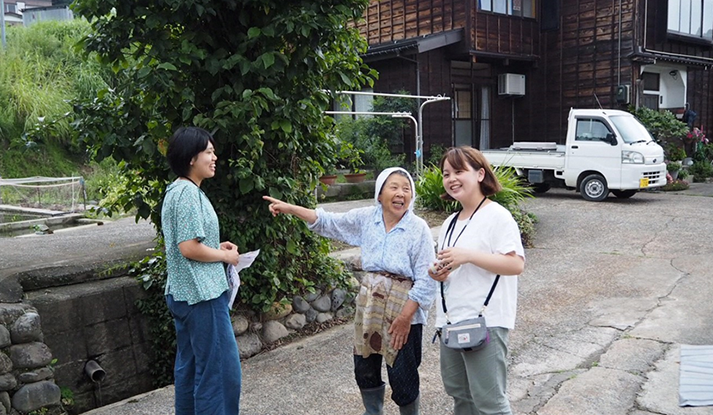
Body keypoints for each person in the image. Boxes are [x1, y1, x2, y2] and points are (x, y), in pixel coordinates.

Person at [263, 167, 436, 415]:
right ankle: (372, 411)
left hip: (404, 309)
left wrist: (404, 318)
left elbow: (427, 280)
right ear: (379, 194)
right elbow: (327, 221)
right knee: (364, 366)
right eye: (394, 187)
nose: (401, 194)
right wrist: (290, 208)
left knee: (403, 373)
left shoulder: (418, 228)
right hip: (370, 306)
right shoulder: (368, 218)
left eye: (406, 189)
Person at [429, 147, 525, 415]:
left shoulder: (497, 217)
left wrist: (469, 256)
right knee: (461, 396)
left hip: (486, 322)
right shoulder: (449, 222)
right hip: (451, 321)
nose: (451, 179)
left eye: (459, 171)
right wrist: (439, 272)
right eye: (446, 173)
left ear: (480, 174)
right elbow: (451, 266)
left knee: (490, 402)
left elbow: (516, 264)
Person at [161, 126, 241, 415]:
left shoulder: (176, 190)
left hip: (184, 294)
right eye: (208, 151)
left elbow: (188, 241)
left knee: (191, 368)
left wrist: (216, 246)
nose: (214, 157)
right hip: (202, 295)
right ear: (191, 157)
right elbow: (188, 247)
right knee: (219, 374)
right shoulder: (188, 194)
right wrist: (225, 256)